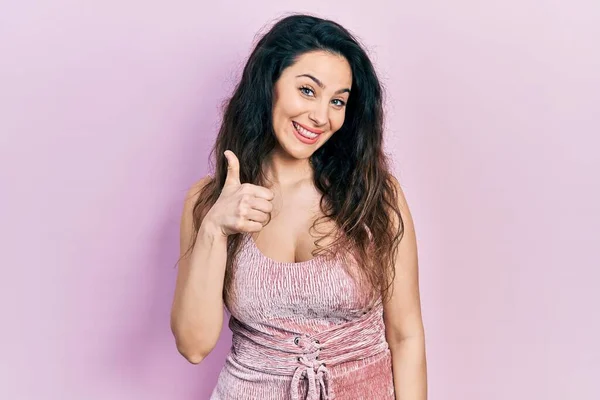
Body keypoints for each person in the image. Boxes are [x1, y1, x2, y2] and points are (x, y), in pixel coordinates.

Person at [170, 13, 427, 400]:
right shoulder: (209, 201)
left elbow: (406, 336)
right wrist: (213, 229)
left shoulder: (376, 195)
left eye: (337, 101)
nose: (321, 116)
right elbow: (194, 345)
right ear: (269, 84)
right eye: (308, 90)